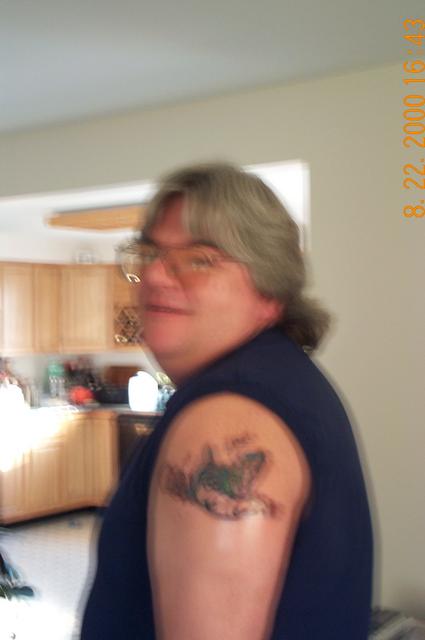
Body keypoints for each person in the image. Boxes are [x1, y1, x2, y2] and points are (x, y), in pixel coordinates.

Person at [81, 162, 373, 639]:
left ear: (269, 290)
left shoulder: (225, 418)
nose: (154, 274)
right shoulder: (283, 382)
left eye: (199, 258)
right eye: (150, 252)